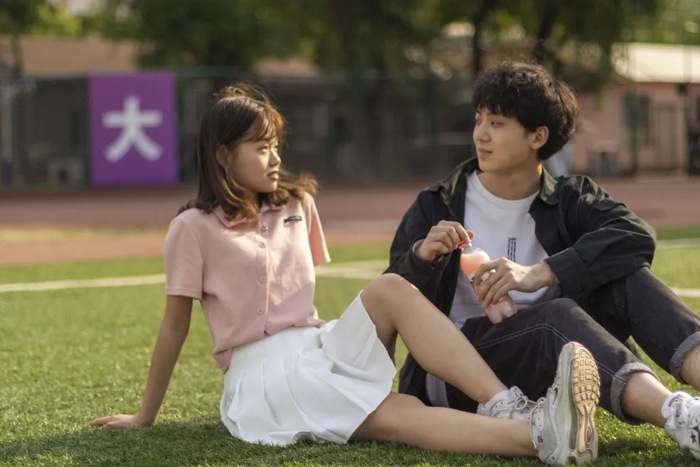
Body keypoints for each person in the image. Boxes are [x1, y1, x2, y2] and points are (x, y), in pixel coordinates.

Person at [89, 84, 601, 465]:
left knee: (390, 288)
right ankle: (538, 436)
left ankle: (506, 406)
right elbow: (174, 326)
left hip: (320, 344)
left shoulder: (298, 206)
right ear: (223, 156)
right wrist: (145, 415)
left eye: (276, 144)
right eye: (261, 148)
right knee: (395, 413)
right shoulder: (191, 228)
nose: (276, 158)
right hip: (261, 373)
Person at [387, 61, 700, 460]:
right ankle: (679, 416)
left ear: (538, 136)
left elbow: (635, 234)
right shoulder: (438, 203)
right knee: (555, 315)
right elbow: (389, 300)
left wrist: (541, 273)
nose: (480, 134)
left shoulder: (570, 197)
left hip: (552, 362)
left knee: (627, 276)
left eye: (497, 123)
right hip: (461, 375)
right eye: (479, 119)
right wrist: (421, 257)